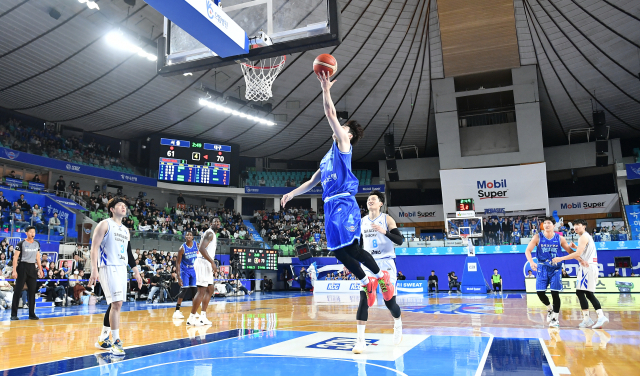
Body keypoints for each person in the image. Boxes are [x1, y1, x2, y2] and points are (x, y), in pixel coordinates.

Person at [280, 71, 391, 307]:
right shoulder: (326, 158)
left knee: (351, 247)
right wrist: (291, 194)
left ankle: (382, 277)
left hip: (344, 202)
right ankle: (365, 282)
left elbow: (330, 113)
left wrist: (325, 89)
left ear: (348, 134)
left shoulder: (344, 145)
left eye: (343, 127)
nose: (338, 127)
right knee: (339, 253)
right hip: (329, 207)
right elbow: (311, 183)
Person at [352, 190, 405, 354]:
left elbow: (400, 240)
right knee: (364, 298)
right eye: (368, 199)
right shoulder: (362, 222)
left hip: (386, 263)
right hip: (369, 263)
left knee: (390, 303)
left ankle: (397, 321)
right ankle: (360, 341)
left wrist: (385, 232)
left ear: (381, 203)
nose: (370, 201)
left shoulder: (387, 219)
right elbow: (355, 244)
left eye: (373, 199)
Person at [89, 198, 143, 356]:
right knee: (117, 303)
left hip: (121, 268)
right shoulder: (105, 224)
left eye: (125, 206)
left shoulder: (126, 230)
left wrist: (136, 273)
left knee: (115, 304)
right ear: (112, 209)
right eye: (120, 205)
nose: (124, 207)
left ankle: (103, 337)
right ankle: (116, 341)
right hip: (108, 266)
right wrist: (94, 269)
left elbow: (129, 253)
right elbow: (94, 248)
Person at [552, 219, 608, 329]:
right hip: (587, 266)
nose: (576, 227)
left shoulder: (583, 237)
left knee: (587, 294)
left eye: (578, 225)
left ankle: (600, 317)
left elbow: (578, 254)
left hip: (588, 267)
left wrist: (561, 258)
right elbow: (583, 251)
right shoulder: (585, 237)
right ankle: (587, 319)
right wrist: (575, 247)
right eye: (575, 225)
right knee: (582, 293)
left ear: (584, 226)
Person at [525, 216, 576, 328]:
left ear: (554, 225)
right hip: (542, 268)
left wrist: (580, 255)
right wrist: (531, 262)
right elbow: (528, 250)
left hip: (556, 269)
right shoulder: (538, 237)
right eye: (545, 223)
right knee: (540, 293)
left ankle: (555, 319)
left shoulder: (560, 238)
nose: (546, 225)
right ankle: (550, 309)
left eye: (549, 223)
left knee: (555, 294)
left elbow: (569, 251)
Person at [187, 218, 220, 326]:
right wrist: (212, 262)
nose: (217, 223)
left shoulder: (212, 234)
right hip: (203, 262)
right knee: (201, 291)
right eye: (215, 222)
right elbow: (201, 248)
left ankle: (203, 317)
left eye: (219, 222)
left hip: (206, 262)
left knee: (210, 289)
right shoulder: (210, 233)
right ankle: (191, 318)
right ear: (211, 224)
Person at [10, 226, 44, 320]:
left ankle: (32, 314)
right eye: (30, 232)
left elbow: (38, 258)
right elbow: (15, 257)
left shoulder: (37, 244)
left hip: (32, 268)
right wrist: (14, 270)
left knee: (32, 291)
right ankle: (13, 314)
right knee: (17, 290)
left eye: (34, 232)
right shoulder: (21, 243)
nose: (32, 234)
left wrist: (40, 269)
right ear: (26, 233)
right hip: (22, 267)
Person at [173, 231, 199, 319]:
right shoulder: (182, 248)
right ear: (185, 237)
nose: (189, 236)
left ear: (193, 237)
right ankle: (177, 311)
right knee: (184, 290)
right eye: (187, 235)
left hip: (194, 270)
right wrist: (179, 277)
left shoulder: (197, 245)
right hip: (185, 270)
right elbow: (177, 263)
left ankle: (194, 312)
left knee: (194, 291)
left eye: (190, 235)